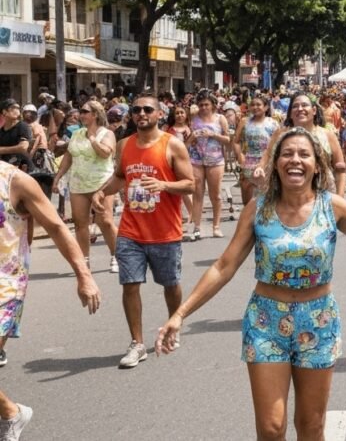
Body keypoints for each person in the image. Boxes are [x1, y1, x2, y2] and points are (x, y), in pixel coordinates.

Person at [154, 126, 346, 440]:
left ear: (317, 164)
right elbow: (223, 266)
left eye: (304, 154)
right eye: (287, 154)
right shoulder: (257, 210)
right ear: (276, 163)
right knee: (271, 428)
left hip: (318, 320)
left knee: (311, 425)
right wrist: (180, 314)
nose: (295, 160)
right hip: (265, 321)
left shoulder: (332, 207)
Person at [0, 159, 101, 440]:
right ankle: (10, 412)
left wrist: (84, 275)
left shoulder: (15, 181)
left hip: (5, 286)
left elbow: (56, 227)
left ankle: (11, 414)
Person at [92, 93, 195, 369]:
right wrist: (101, 192)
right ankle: (137, 343)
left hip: (165, 232)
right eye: (136, 110)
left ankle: (173, 324)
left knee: (170, 284)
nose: (141, 114)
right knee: (130, 284)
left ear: (159, 114)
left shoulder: (173, 145)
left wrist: (164, 186)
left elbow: (190, 184)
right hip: (131, 230)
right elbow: (120, 178)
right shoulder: (125, 145)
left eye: (147, 109)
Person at [51, 101, 119, 273]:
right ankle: (85, 261)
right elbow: (69, 157)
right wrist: (58, 177)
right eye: (80, 112)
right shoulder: (77, 133)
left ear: (95, 114)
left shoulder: (107, 133)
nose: (81, 115)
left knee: (105, 222)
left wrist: (93, 139)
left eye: (85, 112)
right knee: (80, 223)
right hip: (78, 183)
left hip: (102, 184)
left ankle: (116, 255)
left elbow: (105, 153)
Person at [255, 93, 346, 197]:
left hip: (323, 195)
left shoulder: (328, 135)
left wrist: (340, 197)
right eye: (295, 106)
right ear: (290, 114)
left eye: (304, 105)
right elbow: (267, 155)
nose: (300, 109)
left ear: (314, 111)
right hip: (285, 195)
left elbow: (340, 169)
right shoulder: (280, 134)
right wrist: (260, 168)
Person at [185, 91, 230, 239]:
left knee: (215, 194)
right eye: (201, 105)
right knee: (197, 193)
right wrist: (193, 136)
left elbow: (228, 139)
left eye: (206, 105)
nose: (204, 107)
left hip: (215, 159)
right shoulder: (193, 119)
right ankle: (197, 226)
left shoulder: (220, 119)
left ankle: (216, 226)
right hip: (196, 159)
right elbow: (187, 141)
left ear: (213, 105)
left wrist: (213, 135)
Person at [233, 95, 279, 206]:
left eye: (258, 105)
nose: (255, 107)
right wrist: (240, 156)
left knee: (267, 198)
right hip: (248, 161)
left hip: (267, 163)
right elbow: (236, 141)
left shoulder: (273, 123)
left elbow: (278, 144)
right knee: (247, 201)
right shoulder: (244, 122)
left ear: (266, 107)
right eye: (252, 105)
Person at [0, 101, 31, 165]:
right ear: (4, 112)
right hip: (6, 167)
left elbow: (23, 147)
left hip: (22, 167)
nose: (17, 110)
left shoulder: (22, 126)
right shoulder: (1, 131)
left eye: (18, 108)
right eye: (13, 108)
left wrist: (2, 150)